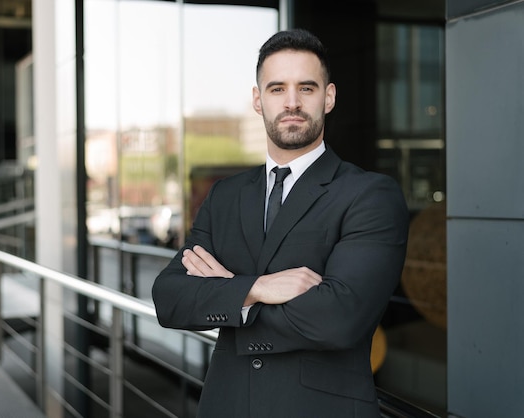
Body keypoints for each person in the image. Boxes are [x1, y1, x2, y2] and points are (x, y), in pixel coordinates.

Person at [152, 28, 409, 418]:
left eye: (306, 88)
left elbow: (339, 319)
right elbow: (169, 298)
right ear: (258, 100)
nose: (292, 102)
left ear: (329, 96)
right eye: (277, 89)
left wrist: (228, 294)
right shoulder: (226, 196)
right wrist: (257, 287)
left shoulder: (369, 195)